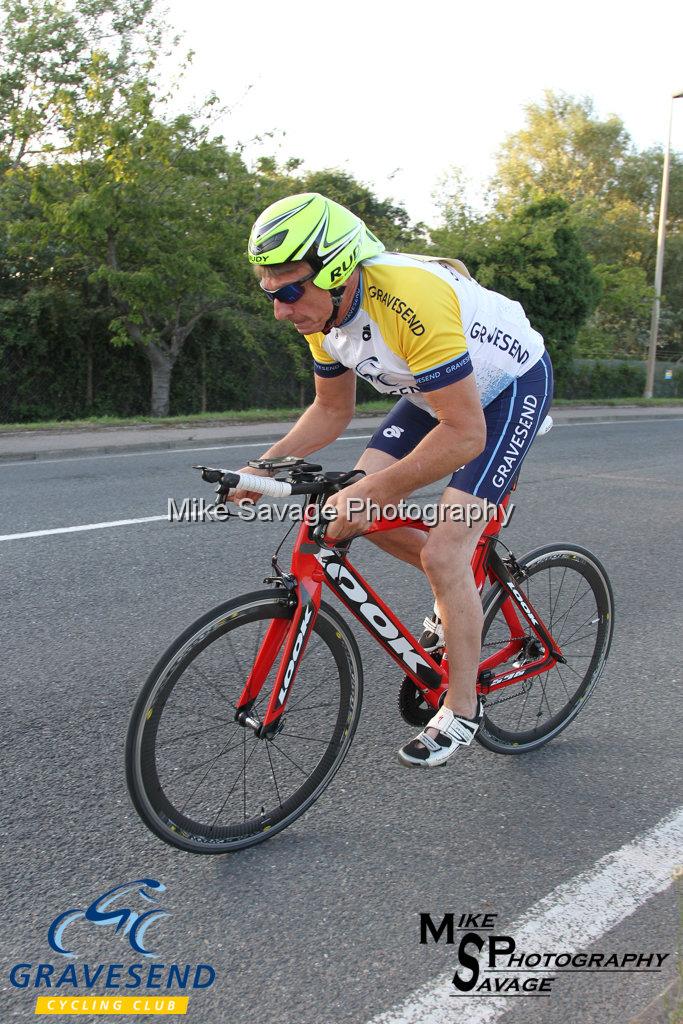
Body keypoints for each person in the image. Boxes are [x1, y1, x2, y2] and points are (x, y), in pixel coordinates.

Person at [237, 191, 553, 768]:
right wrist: (264, 467)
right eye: (270, 293)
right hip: (431, 389)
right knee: (353, 509)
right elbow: (330, 410)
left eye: (289, 291)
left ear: (335, 270)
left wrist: (369, 488)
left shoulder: (407, 300)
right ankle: (453, 596)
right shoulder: (324, 314)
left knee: (443, 549)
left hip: (506, 392)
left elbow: (464, 435)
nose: (281, 310)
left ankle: (461, 709)